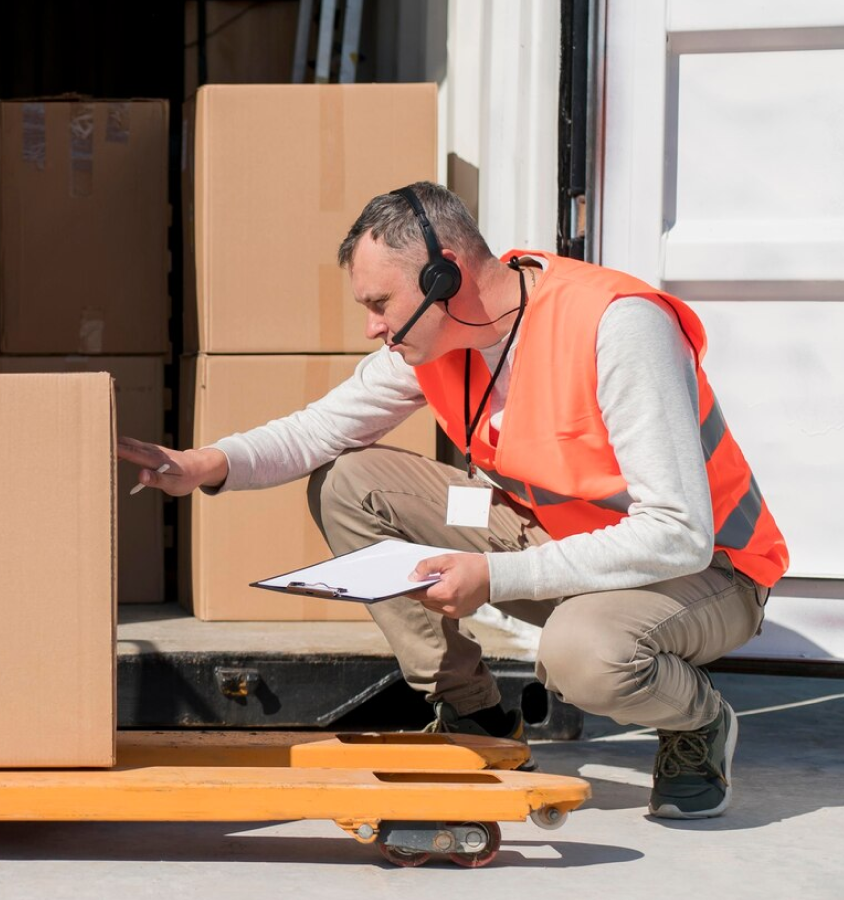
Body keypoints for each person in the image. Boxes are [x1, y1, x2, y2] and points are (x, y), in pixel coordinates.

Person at [118, 181, 787, 820]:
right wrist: (201, 463)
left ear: (444, 278)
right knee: (350, 482)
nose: (373, 328)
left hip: (703, 573)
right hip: (561, 544)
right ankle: (472, 713)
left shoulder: (617, 326)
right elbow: (320, 430)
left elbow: (677, 533)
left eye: (380, 303)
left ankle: (697, 719)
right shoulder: (439, 340)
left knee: (582, 656)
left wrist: (495, 576)